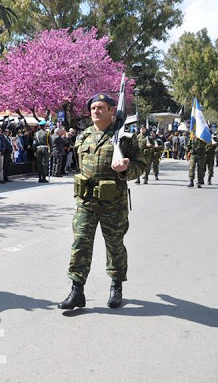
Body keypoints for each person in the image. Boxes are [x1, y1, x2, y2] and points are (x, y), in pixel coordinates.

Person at [58, 93, 146, 311]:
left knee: (114, 245)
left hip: (113, 204)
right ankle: (77, 290)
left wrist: (126, 168)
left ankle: (116, 286)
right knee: (80, 244)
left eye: (101, 107)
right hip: (86, 202)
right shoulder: (83, 136)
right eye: (93, 107)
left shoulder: (124, 139)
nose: (96, 111)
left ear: (110, 111)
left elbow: (141, 165)